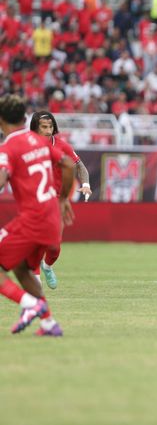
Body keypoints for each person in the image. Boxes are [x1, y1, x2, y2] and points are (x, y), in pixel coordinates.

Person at [0, 95, 75, 336]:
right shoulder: (41, 142)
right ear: (24, 118)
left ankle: (33, 305)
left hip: (33, 219)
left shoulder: (7, 148)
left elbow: (1, 180)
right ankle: (49, 323)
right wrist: (63, 198)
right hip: (51, 217)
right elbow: (69, 165)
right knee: (22, 269)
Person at [30, 111, 92, 289]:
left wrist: (86, 184)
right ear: (35, 128)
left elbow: (80, 166)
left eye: (50, 127)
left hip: (57, 201)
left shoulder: (61, 146)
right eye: (44, 127)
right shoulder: (27, 145)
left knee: (54, 246)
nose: (48, 131)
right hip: (35, 199)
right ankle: (35, 279)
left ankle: (47, 266)